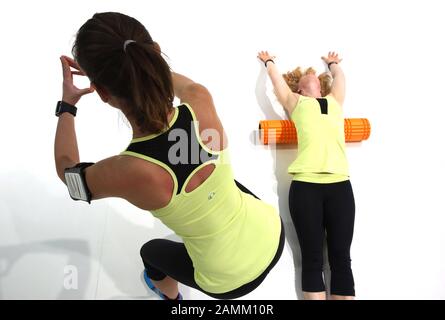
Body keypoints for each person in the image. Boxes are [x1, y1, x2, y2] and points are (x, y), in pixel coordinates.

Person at [54, 12, 284, 300]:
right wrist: (137, 65)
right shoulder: (199, 98)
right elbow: (177, 84)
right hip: (273, 233)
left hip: (229, 280)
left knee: (149, 253)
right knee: (223, 180)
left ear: (102, 93)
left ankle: (173, 299)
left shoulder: (128, 171)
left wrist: (68, 104)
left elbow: (69, 174)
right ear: (155, 55)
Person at [257, 50, 356, 300]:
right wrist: (269, 62)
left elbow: (341, 79)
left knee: (341, 259)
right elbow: (277, 83)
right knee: (311, 259)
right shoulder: (295, 102)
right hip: (306, 188)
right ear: (300, 89)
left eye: (313, 74)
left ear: (321, 85)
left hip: (340, 185)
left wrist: (333, 64)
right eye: (303, 78)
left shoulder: (335, 100)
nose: (310, 75)